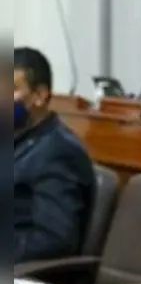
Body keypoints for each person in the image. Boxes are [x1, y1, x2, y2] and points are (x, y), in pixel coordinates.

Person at [12, 47, 95, 262]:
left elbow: (54, 240)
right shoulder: (17, 140)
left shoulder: (59, 152)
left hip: (29, 278)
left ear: (39, 96)